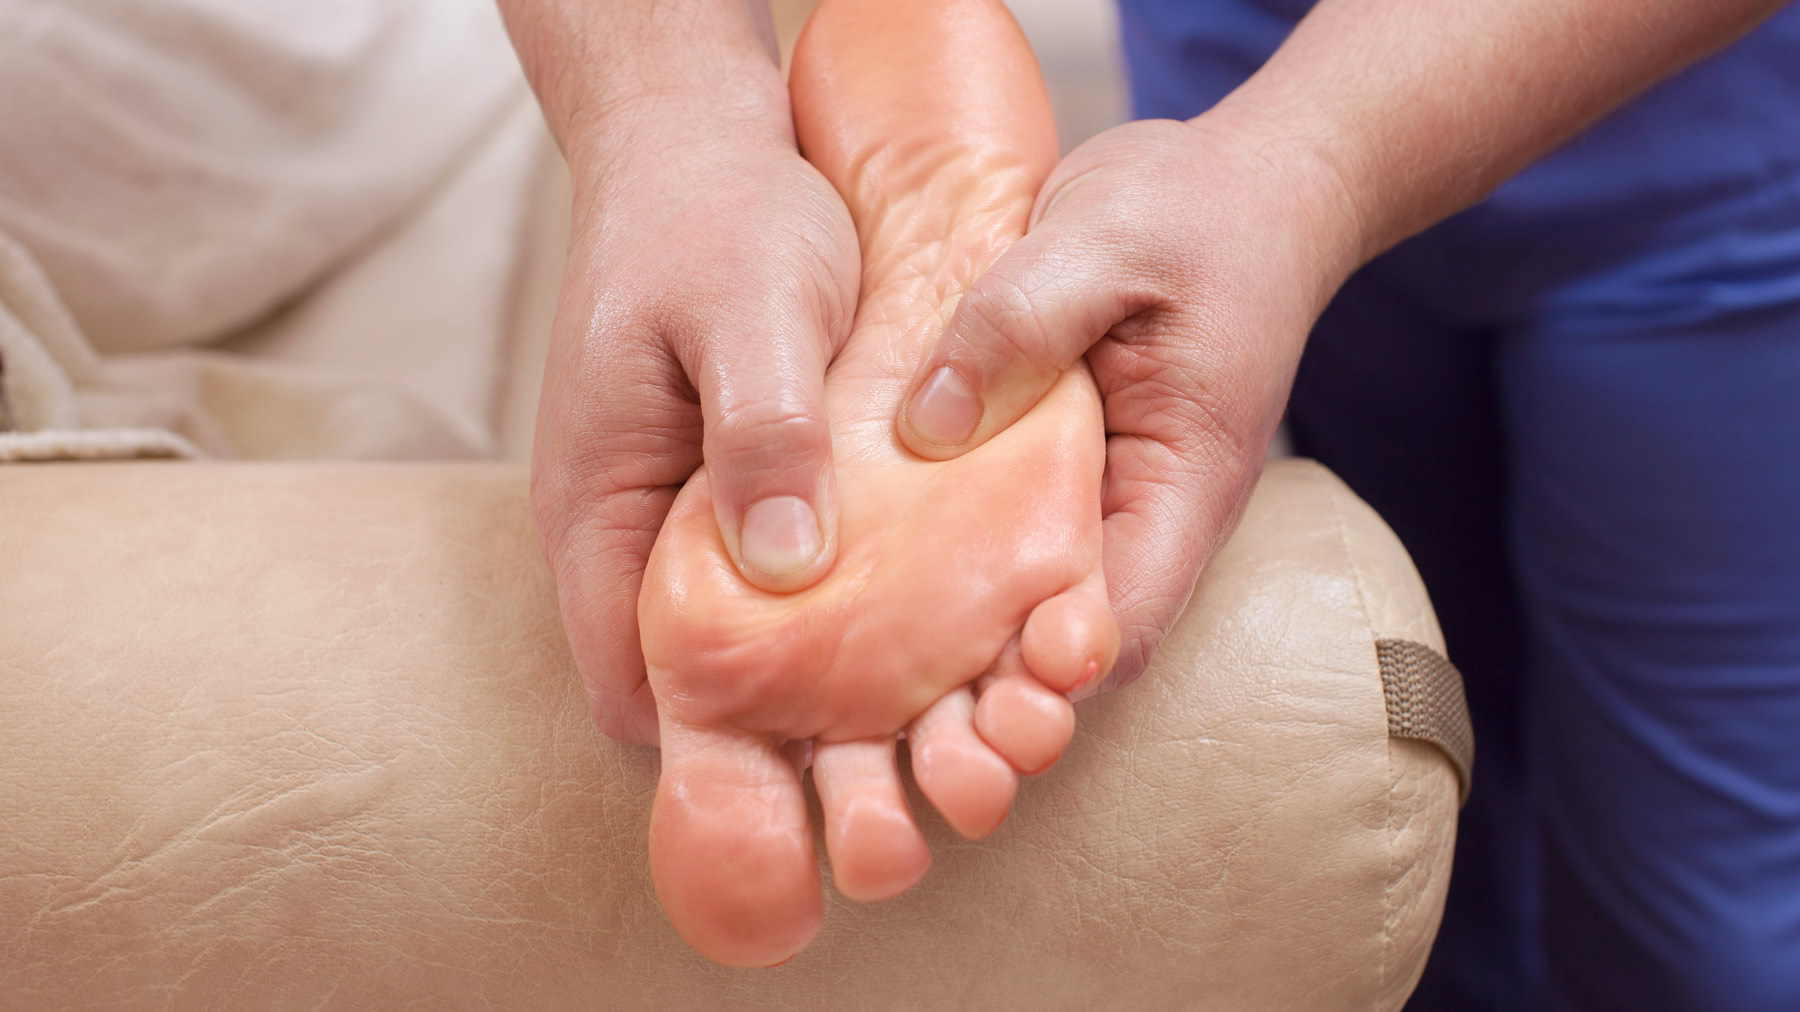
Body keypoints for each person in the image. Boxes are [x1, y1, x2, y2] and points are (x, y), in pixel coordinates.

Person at [507, 0, 1800, 1006]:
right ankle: (941, 290)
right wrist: (664, 122)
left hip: (1699, 169)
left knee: (1700, 937)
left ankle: (941, 322)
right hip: (1243, 100)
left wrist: (1314, 161)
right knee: (1443, 755)